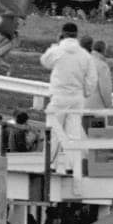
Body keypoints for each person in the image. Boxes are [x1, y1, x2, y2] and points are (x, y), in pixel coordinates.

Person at [41, 22, 96, 169]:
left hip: (59, 95)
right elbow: (92, 79)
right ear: (77, 35)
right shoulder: (84, 55)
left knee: (53, 132)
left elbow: (45, 61)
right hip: (76, 96)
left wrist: (56, 44)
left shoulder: (58, 51)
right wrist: (86, 92)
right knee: (74, 133)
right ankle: (73, 166)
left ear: (63, 34)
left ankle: (49, 165)